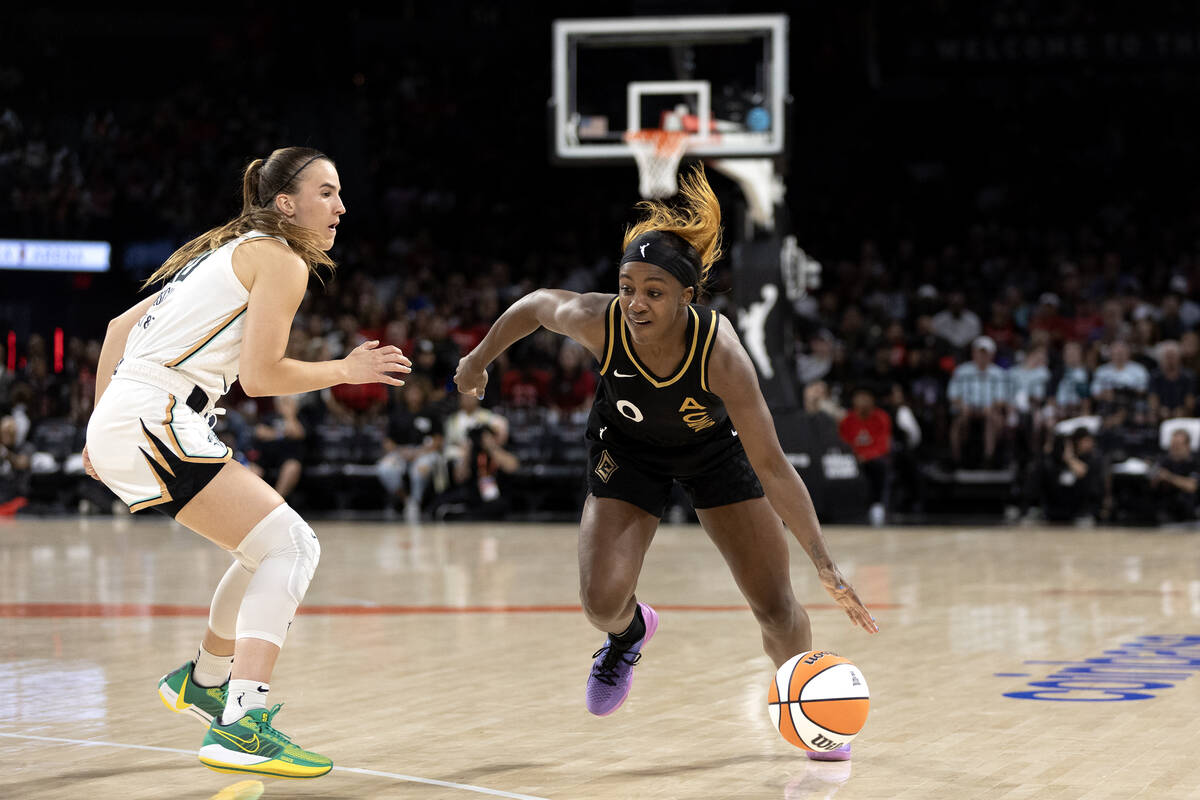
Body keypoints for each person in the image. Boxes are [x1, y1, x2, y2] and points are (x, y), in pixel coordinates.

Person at [453, 166, 877, 762]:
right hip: (628, 452)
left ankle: (811, 717)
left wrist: (825, 564)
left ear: (686, 295)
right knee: (600, 602)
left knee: (777, 608)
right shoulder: (601, 322)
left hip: (714, 454)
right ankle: (628, 634)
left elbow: (775, 466)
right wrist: (476, 360)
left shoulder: (721, 352)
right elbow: (536, 306)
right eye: (628, 286)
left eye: (654, 291)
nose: (635, 302)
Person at [82, 147, 410, 778]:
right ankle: (241, 725)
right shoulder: (281, 259)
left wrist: (99, 428)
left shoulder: (222, 253)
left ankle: (204, 683)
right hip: (157, 414)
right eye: (326, 193)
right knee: (294, 547)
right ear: (286, 203)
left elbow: (119, 328)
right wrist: (345, 369)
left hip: (134, 412)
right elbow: (261, 378)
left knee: (263, 550)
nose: (341, 206)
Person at [837, 386, 892, 526]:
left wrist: (866, 456)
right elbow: (842, 443)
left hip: (873, 458)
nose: (863, 401)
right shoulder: (847, 420)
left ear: (872, 400)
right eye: (859, 397)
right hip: (852, 458)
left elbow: (883, 445)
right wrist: (855, 455)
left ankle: (877, 506)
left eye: (866, 397)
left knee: (879, 466)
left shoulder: (881, 417)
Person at [1147, 429, 1200, 524]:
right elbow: (1152, 484)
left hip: (1188, 512)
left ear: (1187, 446)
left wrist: (1169, 477)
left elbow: (1191, 486)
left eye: (1178, 445)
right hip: (1165, 510)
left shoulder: (1195, 462)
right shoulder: (1164, 460)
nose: (1174, 448)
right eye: (1173, 445)